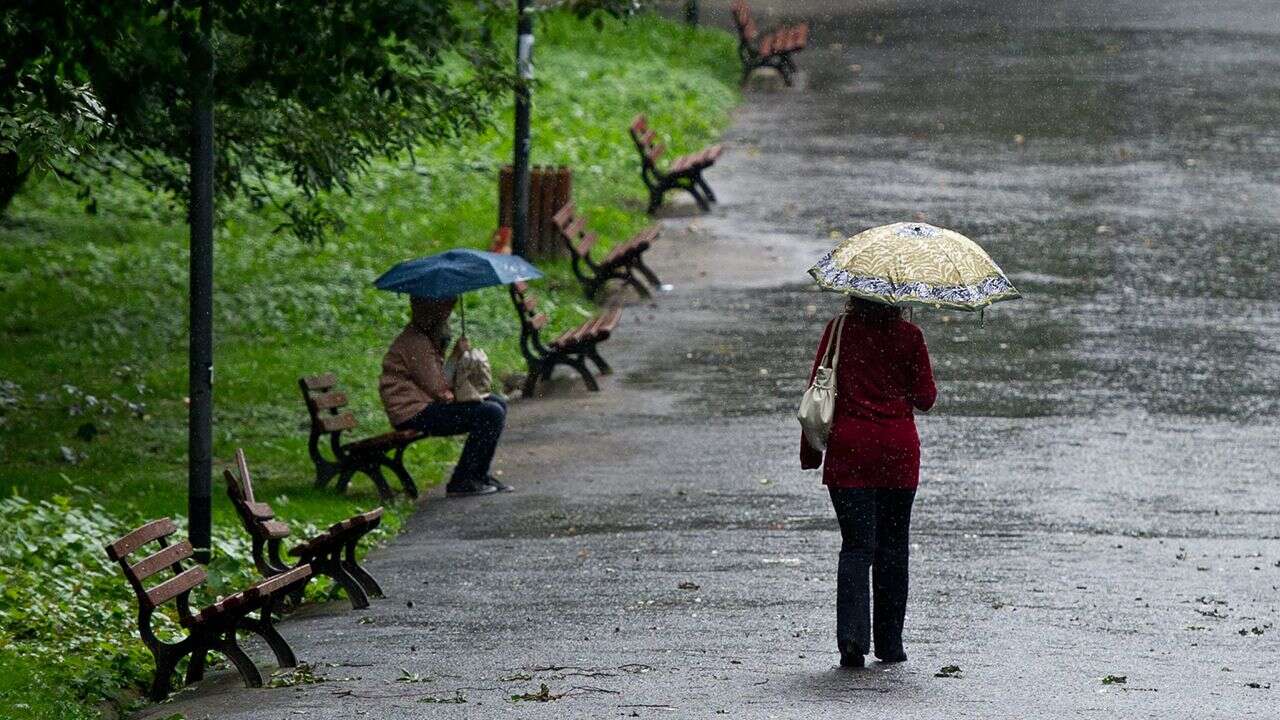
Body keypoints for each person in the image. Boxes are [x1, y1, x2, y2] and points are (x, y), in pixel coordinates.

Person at [801, 296, 936, 668]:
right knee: (893, 548)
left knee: (857, 546)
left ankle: (852, 641)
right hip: (897, 455)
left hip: (850, 454)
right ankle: (890, 645)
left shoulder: (839, 331)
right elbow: (926, 398)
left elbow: (816, 391)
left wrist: (810, 454)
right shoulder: (910, 336)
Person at [380, 296, 512, 497]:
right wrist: (455, 356)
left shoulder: (423, 339)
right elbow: (440, 389)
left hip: (424, 407)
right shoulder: (415, 343)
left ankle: (478, 475)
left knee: (497, 403)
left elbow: (439, 384)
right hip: (413, 414)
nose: (447, 318)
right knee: (490, 412)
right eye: (443, 312)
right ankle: (463, 480)